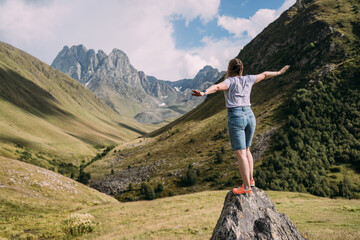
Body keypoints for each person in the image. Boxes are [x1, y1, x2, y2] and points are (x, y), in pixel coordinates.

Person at [192, 58, 289, 195]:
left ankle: (247, 187)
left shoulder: (230, 81)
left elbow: (217, 87)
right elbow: (265, 74)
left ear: (229, 69)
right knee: (247, 150)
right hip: (250, 115)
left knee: (241, 153)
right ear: (241, 69)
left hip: (236, 116)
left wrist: (203, 92)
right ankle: (251, 181)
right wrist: (279, 72)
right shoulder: (249, 79)